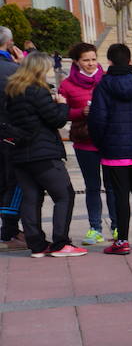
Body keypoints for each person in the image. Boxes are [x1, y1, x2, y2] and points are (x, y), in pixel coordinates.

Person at [2, 52, 85, 257]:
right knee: (64, 195)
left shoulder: (12, 91)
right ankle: (61, 243)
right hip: (43, 153)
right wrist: (62, 104)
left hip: (19, 153)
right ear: (40, 69)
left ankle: (37, 245)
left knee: (31, 198)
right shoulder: (37, 91)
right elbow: (56, 120)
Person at [88, 44, 132, 255]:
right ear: (129, 61)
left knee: (120, 197)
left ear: (109, 61)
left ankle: (123, 241)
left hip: (114, 152)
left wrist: (101, 145)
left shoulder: (103, 86)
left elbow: (97, 120)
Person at [58, 42, 114, 243]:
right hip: (84, 142)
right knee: (92, 186)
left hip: (108, 141)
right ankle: (95, 228)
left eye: (93, 59)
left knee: (112, 185)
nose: (91, 64)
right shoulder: (67, 85)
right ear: (76, 62)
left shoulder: (108, 80)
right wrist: (79, 112)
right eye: (86, 60)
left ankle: (117, 226)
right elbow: (61, 114)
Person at [0, 27, 23, 245]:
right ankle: (10, 230)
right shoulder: (13, 70)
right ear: (10, 43)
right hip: (9, 133)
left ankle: (9, 229)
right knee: (13, 182)